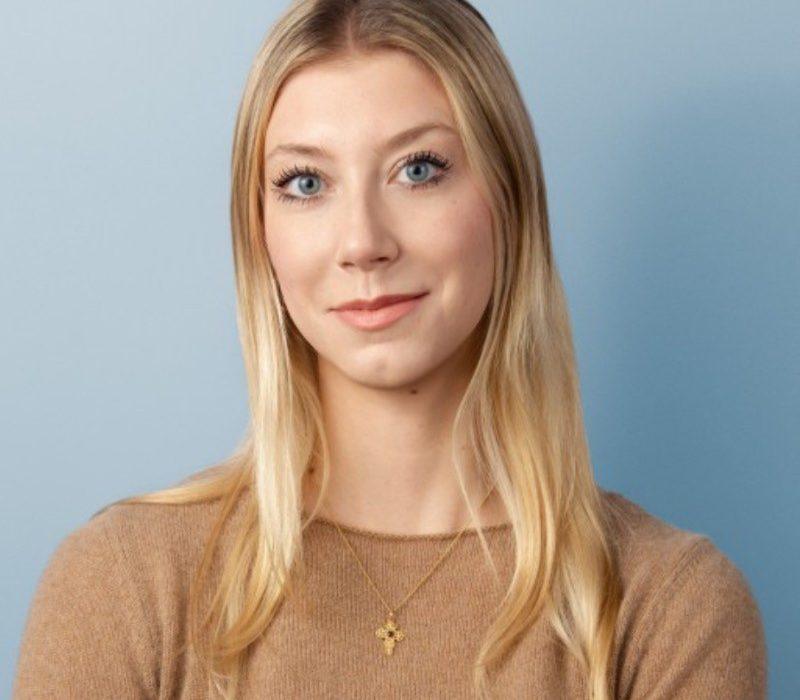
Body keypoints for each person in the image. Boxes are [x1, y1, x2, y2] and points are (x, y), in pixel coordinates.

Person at [13, 1, 767, 698]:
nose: (362, 242)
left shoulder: (668, 609)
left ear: (508, 200)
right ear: (259, 232)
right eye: (305, 182)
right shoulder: (123, 586)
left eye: (419, 169)